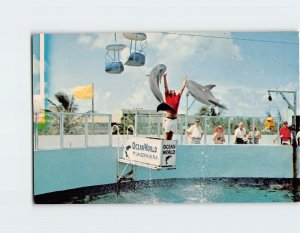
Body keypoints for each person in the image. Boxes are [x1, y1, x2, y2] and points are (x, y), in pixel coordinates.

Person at [163, 73, 188, 140]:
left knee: (171, 134)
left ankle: (169, 147)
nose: (172, 91)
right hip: (168, 119)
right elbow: (166, 87)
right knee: (167, 133)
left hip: (174, 120)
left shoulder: (177, 97)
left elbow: (181, 89)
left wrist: (185, 81)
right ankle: (164, 146)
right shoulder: (167, 97)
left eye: (173, 91)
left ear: (175, 92)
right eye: (170, 91)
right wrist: (164, 77)